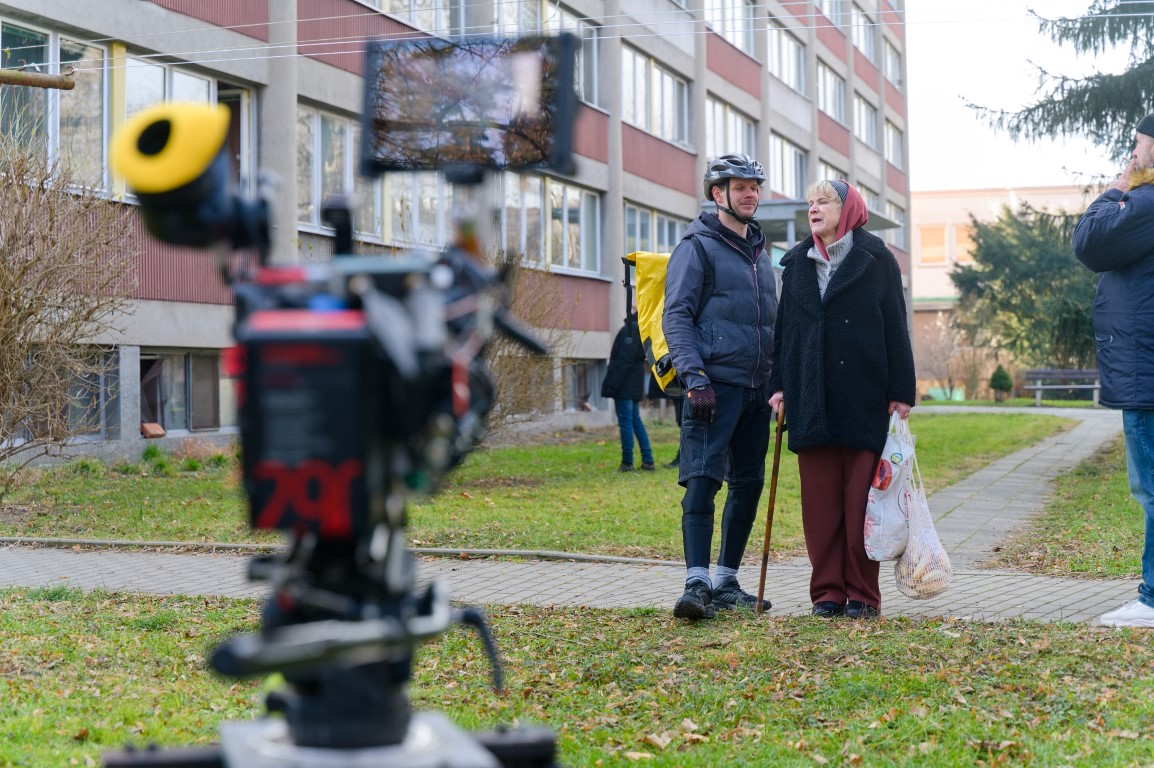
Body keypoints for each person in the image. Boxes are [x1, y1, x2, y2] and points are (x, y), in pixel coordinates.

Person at [767, 179, 916, 620]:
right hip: (809, 396)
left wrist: (901, 391)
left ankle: (863, 595)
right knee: (820, 508)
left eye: (824, 201)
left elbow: (896, 326)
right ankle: (827, 593)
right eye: (810, 203)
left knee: (861, 505)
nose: (813, 209)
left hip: (864, 395)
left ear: (847, 209)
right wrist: (779, 385)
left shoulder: (877, 259)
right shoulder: (796, 262)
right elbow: (785, 332)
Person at [663, 153, 778, 619]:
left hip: (756, 389)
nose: (751, 194)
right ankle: (696, 584)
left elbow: (771, 324)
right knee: (702, 480)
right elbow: (677, 315)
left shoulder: (760, 254)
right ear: (718, 193)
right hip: (712, 387)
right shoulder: (697, 247)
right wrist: (694, 379)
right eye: (741, 186)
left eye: (755, 187)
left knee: (748, 484)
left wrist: (777, 383)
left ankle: (727, 581)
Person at [1071, 113, 1154, 629]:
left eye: (1138, 145)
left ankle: (1152, 600)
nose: (1132, 154)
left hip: (1147, 372)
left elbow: (1089, 242)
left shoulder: (1146, 202)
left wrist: (1118, 187)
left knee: (1151, 487)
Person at [601, 312, 656, 472]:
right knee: (635, 421)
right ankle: (648, 461)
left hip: (625, 385)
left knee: (626, 423)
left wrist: (613, 385)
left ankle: (627, 462)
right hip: (634, 384)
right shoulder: (641, 330)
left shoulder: (630, 331)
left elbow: (623, 361)